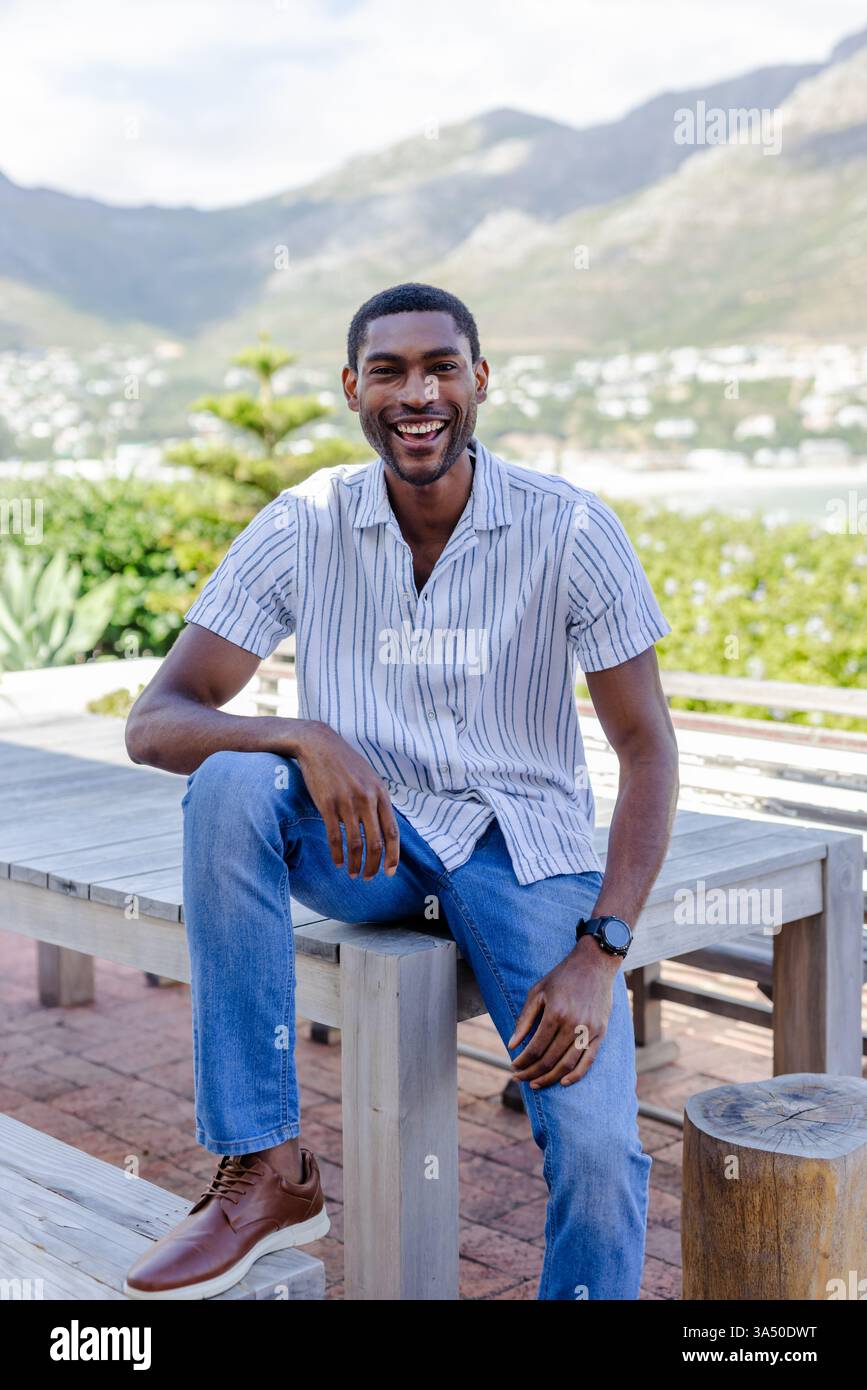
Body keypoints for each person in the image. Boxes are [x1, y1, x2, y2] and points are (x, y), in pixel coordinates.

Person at [122, 281, 679, 1300]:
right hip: (366, 847)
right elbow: (156, 720)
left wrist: (602, 950)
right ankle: (268, 1167)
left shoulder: (571, 530)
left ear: (479, 382)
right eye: (389, 370)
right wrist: (300, 732)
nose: (416, 393)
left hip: (524, 850)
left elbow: (648, 752)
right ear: (351, 388)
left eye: (440, 368)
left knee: (600, 1154)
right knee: (231, 783)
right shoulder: (305, 524)